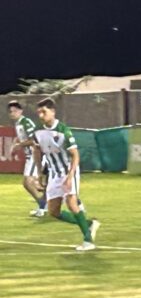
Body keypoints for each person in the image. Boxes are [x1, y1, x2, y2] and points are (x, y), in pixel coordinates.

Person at [32, 98, 101, 251]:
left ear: (53, 112)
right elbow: (36, 151)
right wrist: (39, 173)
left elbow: (75, 155)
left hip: (69, 171)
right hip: (54, 174)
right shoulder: (37, 131)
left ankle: (88, 241)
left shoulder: (63, 131)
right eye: (39, 113)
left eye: (44, 112)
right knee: (53, 212)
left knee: (71, 204)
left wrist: (70, 177)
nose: (41, 115)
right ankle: (89, 224)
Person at [7, 100, 47, 216]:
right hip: (30, 156)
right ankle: (45, 201)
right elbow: (21, 137)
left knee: (27, 182)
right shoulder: (18, 123)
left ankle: (43, 205)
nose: (12, 113)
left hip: (35, 154)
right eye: (10, 111)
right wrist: (15, 144)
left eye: (15, 111)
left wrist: (19, 145)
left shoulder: (26, 122)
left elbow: (34, 140)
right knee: (33, 183)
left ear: (21, 111)